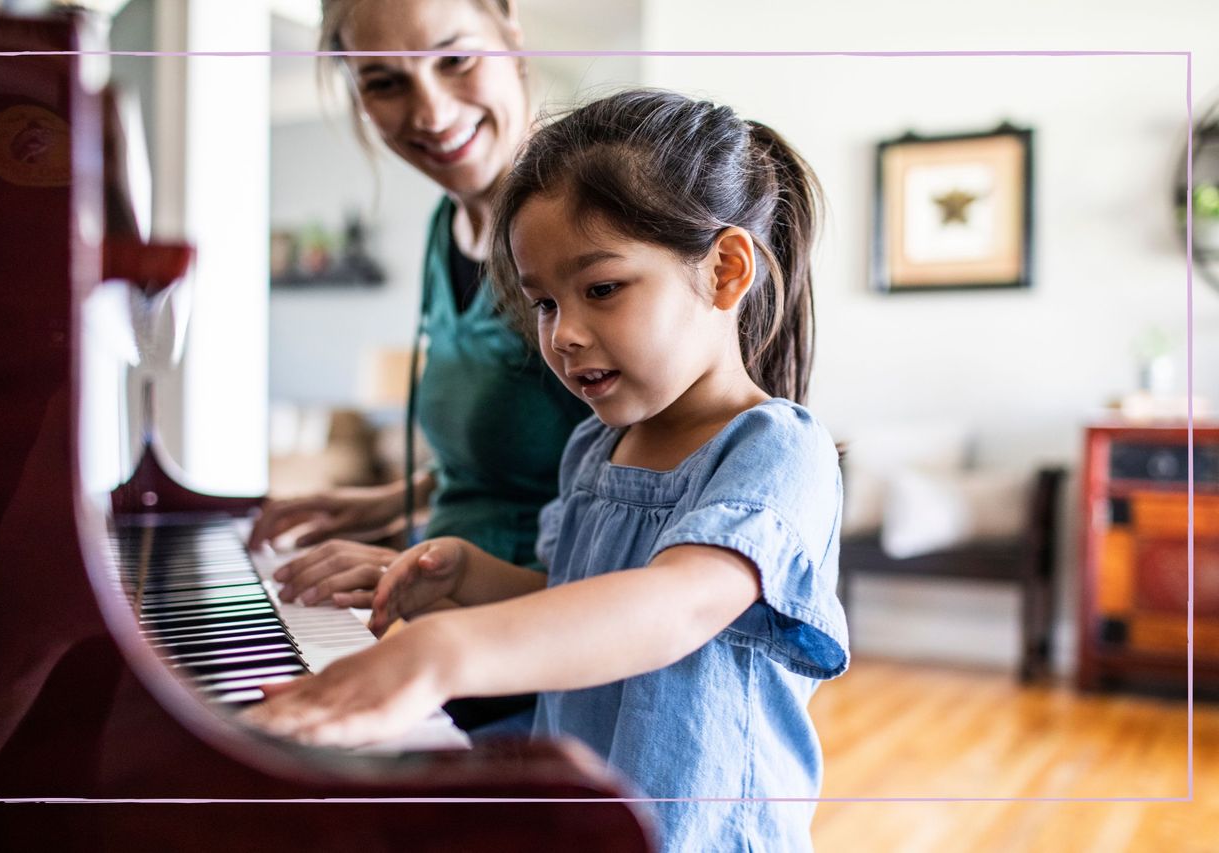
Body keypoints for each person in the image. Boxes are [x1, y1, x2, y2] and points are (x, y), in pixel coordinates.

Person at [244, 89, 850, 852]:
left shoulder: (775, 449)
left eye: (601, 289)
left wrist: (443, 652)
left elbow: (675, 608)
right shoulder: (596, 448)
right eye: (543, 303)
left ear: (726, 270)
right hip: (589, 823)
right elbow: (578, 601)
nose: (562, 335)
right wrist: (468, 574)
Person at [247, 0, 589, 608]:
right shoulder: (445, 227)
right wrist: (390, 499)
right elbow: (524, 456)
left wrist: (425, 570)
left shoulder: (584, 228)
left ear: (510, 28)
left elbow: (645, 500)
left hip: (540, 655)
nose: (430, 112)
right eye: (384, 82)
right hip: (449, 634)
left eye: (454, 58)